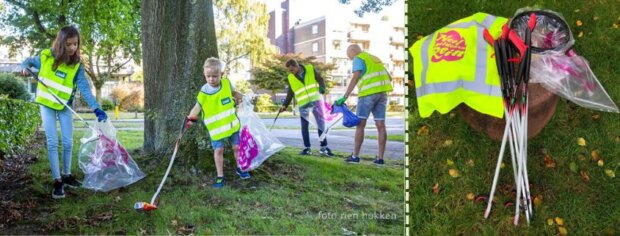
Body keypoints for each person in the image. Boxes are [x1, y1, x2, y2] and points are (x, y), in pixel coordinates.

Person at [20, 26, 108, 199]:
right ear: (61, 43)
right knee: (52, 142)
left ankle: (67, 176)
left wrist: (96, 108)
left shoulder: (77, 66)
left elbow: (84, 89)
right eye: (69, 44)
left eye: (75, 44)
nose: (73, 48)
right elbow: (28, 61)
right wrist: (24, 66)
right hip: (47, 105)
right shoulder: (45, 56)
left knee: (68, 143)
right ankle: (57, 181)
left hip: (65, 106)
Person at [185, 57, 249, 188]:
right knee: (218, 150)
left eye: (215, 76)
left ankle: (240, 168)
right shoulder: (203, 92)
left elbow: (234, 93)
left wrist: (243, 98)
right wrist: (190, 118)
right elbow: (197, 107)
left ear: (221, 74)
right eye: (208, 76)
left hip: (232, 125)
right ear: (204, 75)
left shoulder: (226, 84)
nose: (211, 79)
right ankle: (220, 176)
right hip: (217, 130)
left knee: (237, 147)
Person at [335, 44, 393, 166]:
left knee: (360, 124)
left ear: (352, 50)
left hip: (367, 95)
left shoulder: (358, 58)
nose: (350, 59)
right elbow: (389, 77)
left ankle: (355, 156)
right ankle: (380, 159)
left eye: (349, 56)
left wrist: (345, 96)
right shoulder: (374, 58)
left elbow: (355, 78)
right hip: (382, 94)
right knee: (381, 125)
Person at [279, 59, 334, 157]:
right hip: (303, 104)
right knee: (304, 127)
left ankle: (323, 147)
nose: (290, 72)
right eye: (289, 70)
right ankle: (307, 148)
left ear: (296, 66)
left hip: (315, 101)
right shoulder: (291, 77)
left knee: (321, 124)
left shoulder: (310, 69)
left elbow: (320, 79)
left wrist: (322, 87)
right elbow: (290, 92)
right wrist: (285, 105)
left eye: (292, 69)